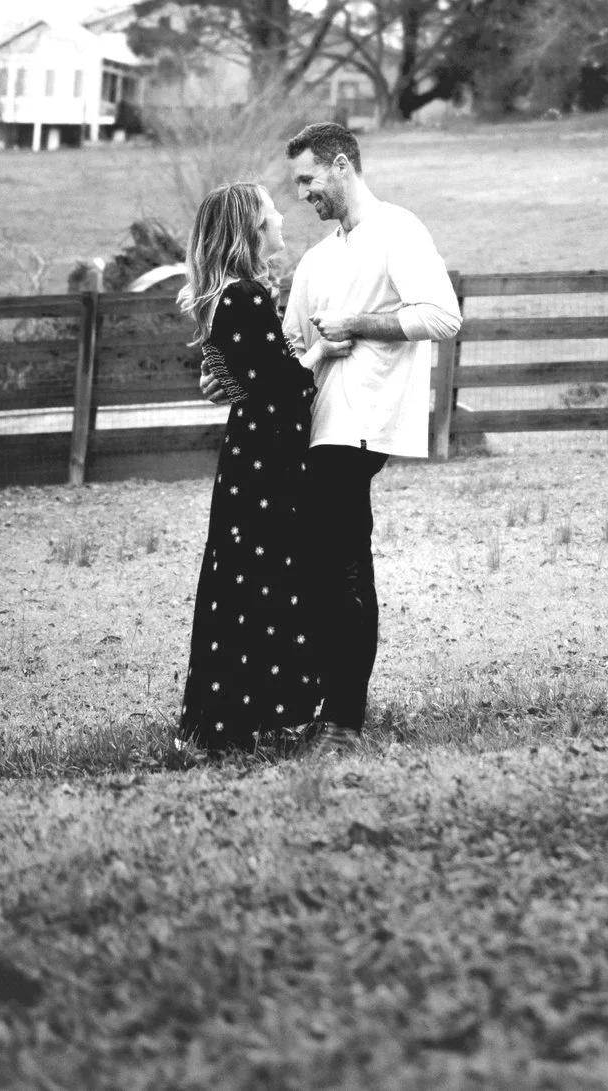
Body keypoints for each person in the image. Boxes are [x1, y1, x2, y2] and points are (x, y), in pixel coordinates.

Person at [281, 121, 462, 740]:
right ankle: (316, 708)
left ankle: (343, 723)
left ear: (340, 166)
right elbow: (290, 342)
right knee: (318, 568)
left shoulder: (398, 229)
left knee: (345, 567)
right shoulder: (319, 256)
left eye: (307, 178)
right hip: (315, 425)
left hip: (362, 423)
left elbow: (442, 316)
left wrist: (357, 323)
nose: (302, 192)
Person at [173, 181, 341, 752]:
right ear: (250, 228)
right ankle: (237, 723)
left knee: (241, 579)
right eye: (272, 215)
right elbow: (282, 383)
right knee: (260, 581)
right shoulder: (244, 295)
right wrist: (323, 350)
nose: (281, 223)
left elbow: (233, 373)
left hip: (250, 453)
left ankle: (231, 721)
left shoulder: (228, 296)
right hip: (267, 457)